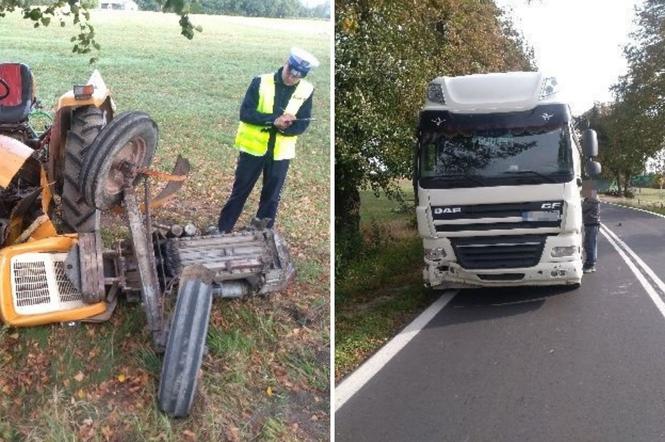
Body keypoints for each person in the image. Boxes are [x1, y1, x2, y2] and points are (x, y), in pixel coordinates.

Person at [218, 47, 319, 233]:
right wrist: (274, 120)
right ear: (286, 63)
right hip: (253, 149)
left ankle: (262, 235)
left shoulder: (307, 90)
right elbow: (245, 113)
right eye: (290, 72)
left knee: (271, 198)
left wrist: (286, 128)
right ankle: (222, 230)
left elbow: (303, 123)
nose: (291, 78)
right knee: (239, 193)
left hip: (280, 154)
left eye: (297, 76)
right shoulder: (260, 82)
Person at [582, 182, 600, 273]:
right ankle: (590, 262)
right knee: (588, 244)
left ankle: (590, 264)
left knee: (590, 245)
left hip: (592, 225)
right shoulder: (589, 199)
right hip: (590, 224)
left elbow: (582, 208)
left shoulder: (592, 200)